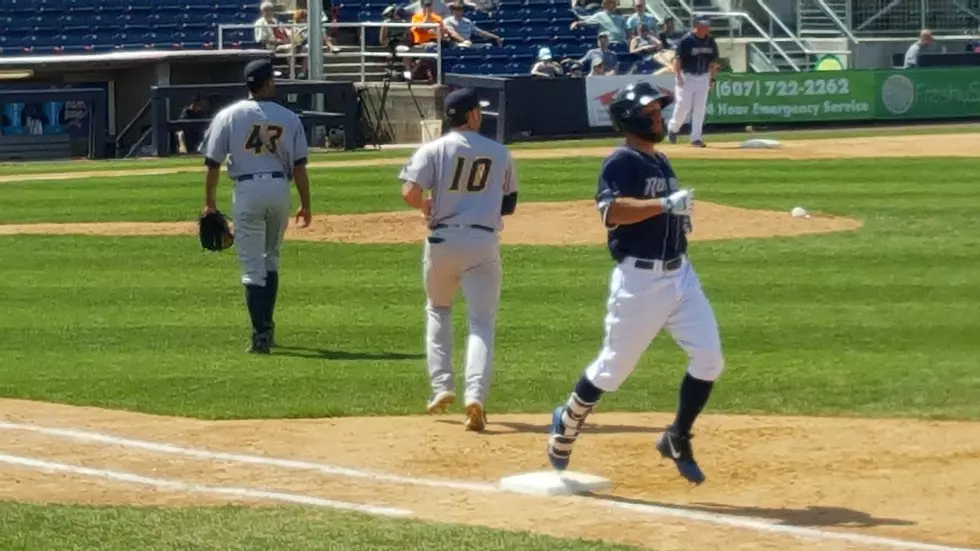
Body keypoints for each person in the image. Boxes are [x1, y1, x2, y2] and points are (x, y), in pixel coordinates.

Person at [546, 81, 723, 485]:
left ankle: (677, 436)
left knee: (710, 359)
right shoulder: (620, 161)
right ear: (630, 118)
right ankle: (568, 420)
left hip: (681, 275)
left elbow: (663, 212)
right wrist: (664, 205)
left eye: (660, 112)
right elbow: (612, 212)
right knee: (612, 371)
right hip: (640, 282)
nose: (659, 117)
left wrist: (676, 217)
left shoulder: (660, 161)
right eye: (652, 113)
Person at [398, 88, 520, 432]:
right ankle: (475, 396)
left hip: (442, 240)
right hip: (482, 240)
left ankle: (442, 387)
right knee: (481, 322)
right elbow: (509, 204)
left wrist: (427, 207)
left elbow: (409, 191)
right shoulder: (498, 152)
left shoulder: (432, 149)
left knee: (438, 309)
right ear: (472, 115)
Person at [198, 59, 313, 354]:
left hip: (247, 190)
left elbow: (212, 165)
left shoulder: (228, 115)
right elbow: (299, 167)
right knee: (271, 258)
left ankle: (260, 334)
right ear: (268, 83)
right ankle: (267, 328)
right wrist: (305, 204)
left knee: (252, 269)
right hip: (278, 189)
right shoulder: (288, 117)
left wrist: (209, 204)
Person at [667, 16, 718, 148]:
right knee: (683, 106)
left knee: (700, 108)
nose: (707, 28)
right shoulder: (686, 40)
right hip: (687, 76)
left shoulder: (710, 41)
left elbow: (713, 62)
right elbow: (678, 60)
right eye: (704, 25)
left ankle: (696, 138)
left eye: (708, 25)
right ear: (697, 25)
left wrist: (712, 78)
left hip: (703, 76)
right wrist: (678, 76)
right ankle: (673, 128)